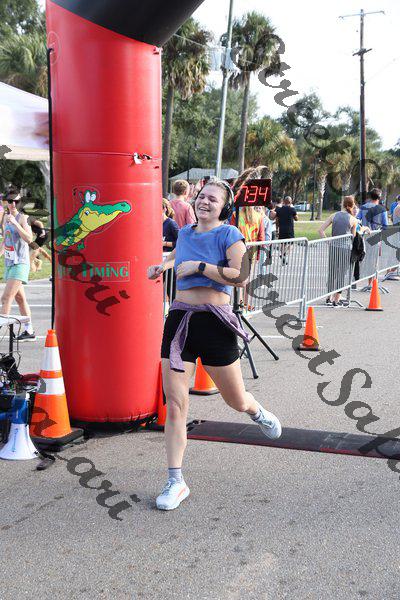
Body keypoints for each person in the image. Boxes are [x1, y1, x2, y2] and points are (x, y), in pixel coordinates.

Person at [147, 179, 282, 511]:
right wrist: (163, 265)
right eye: (202, 196)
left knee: (236, 400)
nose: (204, 202)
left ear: (225, 207)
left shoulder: (229, 234)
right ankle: (175, 480)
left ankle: (256, 411)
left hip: (215, 323)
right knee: (175, 403)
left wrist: (202, 268)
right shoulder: (185, 232)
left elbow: (242, 275)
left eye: (213, 199)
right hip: (179, 320)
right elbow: (179, 255)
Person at [0, 190, 36, 341]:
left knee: (6, 298)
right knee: (20, 299)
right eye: (10, 201)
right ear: (6, 202)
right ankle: (29, 331)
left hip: (20, 263)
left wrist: (15, 224)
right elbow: (5, 239)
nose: (13, 204)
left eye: (17, 201)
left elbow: (29, 239)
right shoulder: (4, 218)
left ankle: (1, 333)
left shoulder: (23, 218)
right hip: (10, 263)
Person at [319, 196, 358, 306]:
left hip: (333, 247)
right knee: (341, 273)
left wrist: (328, 241)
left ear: (343, 204)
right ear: (352, 205)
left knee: (332, 272)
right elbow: (353, 236)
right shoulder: (353, 219)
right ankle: (336, 300)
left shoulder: (334, 215)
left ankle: (328, 297)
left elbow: (321, 230)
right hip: (346, 249)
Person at [270, 196, 298, 265]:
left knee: (282, 244)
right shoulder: (292, 209)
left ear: (284, 202)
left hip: (282, 229)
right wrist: (294, 211)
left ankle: (283, 257)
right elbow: (296, 219)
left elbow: (275, 220)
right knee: (291, 244)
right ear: (290, 202)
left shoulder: (279, 210)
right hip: (290, 230)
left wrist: (277, 230)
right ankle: (284, 254)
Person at [162, 198, 179, 302]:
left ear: (164, 209)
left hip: (169, 262)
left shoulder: (171, 223)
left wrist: (164, 243)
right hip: (158, 261)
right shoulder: (153, 223)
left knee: (171, 291)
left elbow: (181, 242)